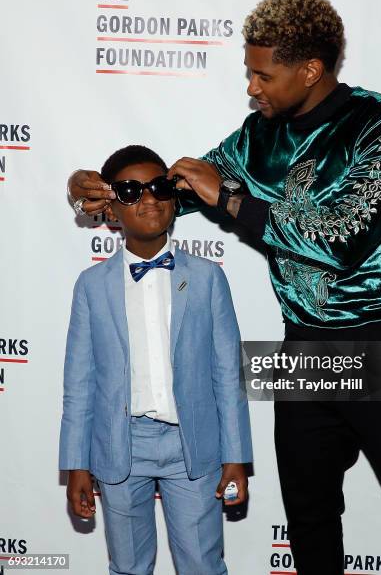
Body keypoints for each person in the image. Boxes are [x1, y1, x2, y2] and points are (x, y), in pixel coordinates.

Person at [67, 0, 381, 575]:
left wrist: (233, 198)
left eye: (263, 75)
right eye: (249, 73)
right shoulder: (255, 137)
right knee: (308, 518)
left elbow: (342, 239)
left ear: (310, 69)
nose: (252, 87)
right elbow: (169, 195)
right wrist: (96, 193)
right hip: (303, 349)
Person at [60, 145, 253, 575]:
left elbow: (227, 374)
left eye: (159, 187)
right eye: (131, 191)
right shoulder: (91, 286)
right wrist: (76, 464)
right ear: (110, 208)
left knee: (202, 564)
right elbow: (79, 384)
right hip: (119, 447)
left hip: (193, 446)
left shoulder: (207, 278)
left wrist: (235, 454)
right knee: (128, 566)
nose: (148, 199)